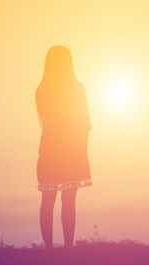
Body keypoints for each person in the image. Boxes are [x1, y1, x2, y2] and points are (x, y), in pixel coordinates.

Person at [35, 45, 92, 248]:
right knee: (68, 202)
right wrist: (82, 150)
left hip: (50, 151)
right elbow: (85, 123)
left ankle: (50, 249)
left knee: (47, 201)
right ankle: (67, 248)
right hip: (71, 151)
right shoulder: (76, 89)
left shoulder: (42, 90)